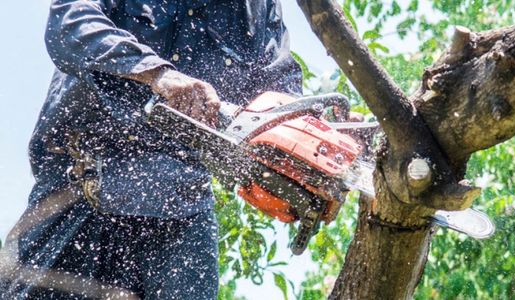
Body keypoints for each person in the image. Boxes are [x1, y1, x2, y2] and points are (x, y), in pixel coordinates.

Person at [0, 0, 301, 298]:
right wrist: (157, 74)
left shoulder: (257, 8)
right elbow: (69, 23)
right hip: (83, 185)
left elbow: (280, 95)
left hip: (183, 203)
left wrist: (321, 130)